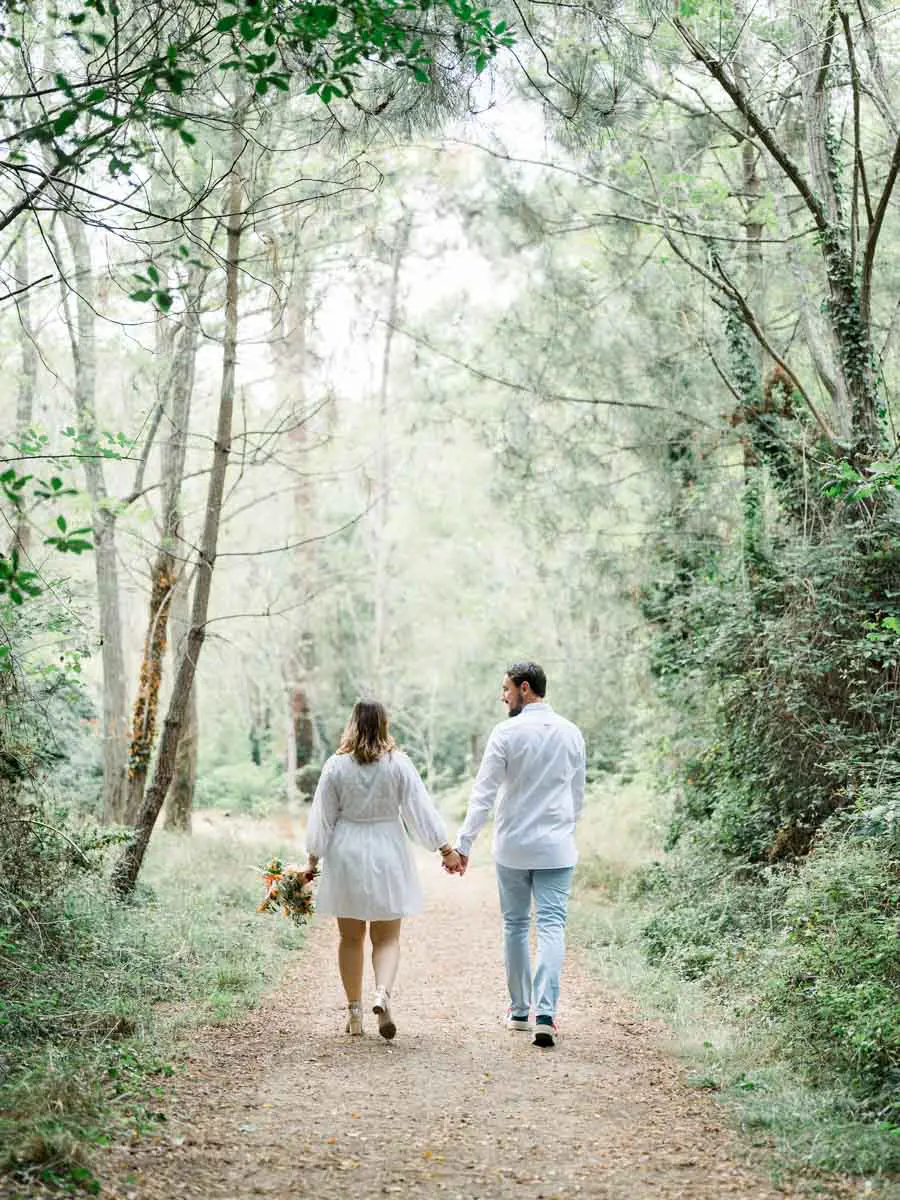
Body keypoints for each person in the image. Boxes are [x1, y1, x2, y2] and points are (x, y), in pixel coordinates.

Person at [303, 700, 461, 1039]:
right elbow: (420, 809)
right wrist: (445, 849)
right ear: (384, 726)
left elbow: (322, 817)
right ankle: (383, 995)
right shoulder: (398, 764)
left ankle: (355, 1013)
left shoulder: (335, 766)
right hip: (388, 850)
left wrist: (312, 861)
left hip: (346, 850)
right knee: (387, 937)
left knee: (350, 936)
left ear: (352, 725)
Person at [449, 661, 586, 1048]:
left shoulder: (506, 733)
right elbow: (577, 796)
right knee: (552, 926)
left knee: (515, 925)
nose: (502, 695)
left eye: (506, 688)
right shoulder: (571, 733)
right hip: (557, 847)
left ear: (525, 688)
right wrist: (564, 828)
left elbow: (484, 793)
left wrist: (464, 843)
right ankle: (546, 1014)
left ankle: (519, 1011)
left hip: (512, 847)